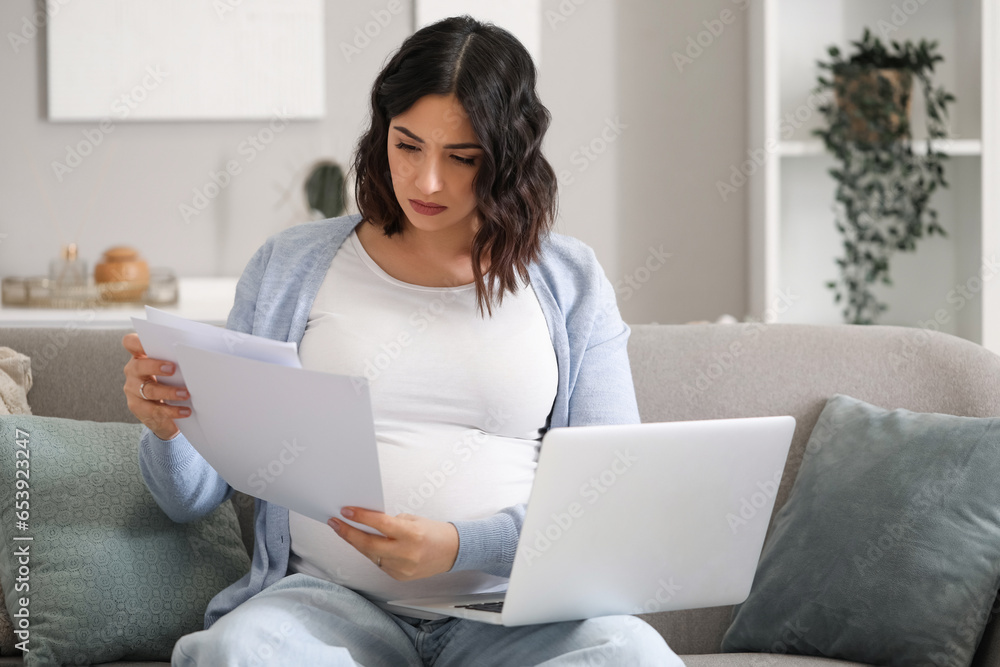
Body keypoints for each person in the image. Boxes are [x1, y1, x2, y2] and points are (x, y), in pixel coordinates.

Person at [122, 15, 682, 666]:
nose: (426, 181)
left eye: (461, 157)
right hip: (327, 606)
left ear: (510, 153)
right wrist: (167, 428)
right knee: (239, 652)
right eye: (407, 145)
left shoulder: (571, 281)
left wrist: (460, 546)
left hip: (512, 615)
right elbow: (188, 498)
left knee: (633, 656)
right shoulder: (290, 265)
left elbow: (610, 504)